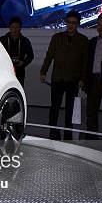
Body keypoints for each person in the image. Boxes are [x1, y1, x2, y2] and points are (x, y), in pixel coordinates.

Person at [40, 10, 89, 140]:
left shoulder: (83, 40)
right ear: (66, 23)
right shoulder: (57, 38)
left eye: (74, 23)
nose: (71, 25)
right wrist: (43, 71)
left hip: (73, 80)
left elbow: (85, 62)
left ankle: (68, 133)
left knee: (70, 109)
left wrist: (83, 79)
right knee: (54, 107)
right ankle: (53, 131)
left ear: (78, 24)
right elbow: (49, 56)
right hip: (57, 78)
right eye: (69, 22)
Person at [0, 17, 34, 87]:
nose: (15, 29)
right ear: (9, 28)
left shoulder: (25, 41)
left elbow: (31, 56)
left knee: (18, 91)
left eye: (17, 27)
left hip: (19, 72)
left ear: (20, 28)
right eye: (13, 27)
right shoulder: (3, 40)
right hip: (5, 71)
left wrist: (23, 62)